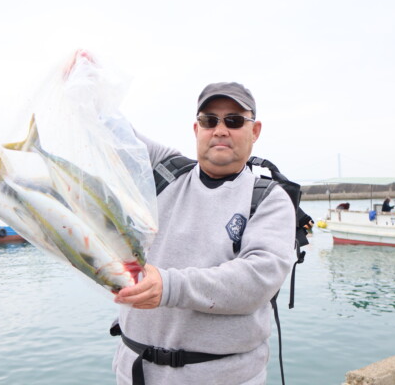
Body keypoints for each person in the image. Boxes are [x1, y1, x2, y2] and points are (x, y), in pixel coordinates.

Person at [112, 82, 296, 385]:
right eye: (209, 120)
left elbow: (258, 279)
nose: (220, 130)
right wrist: (86, 82)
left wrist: (169, 286)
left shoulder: (269, 198)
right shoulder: (164, 168)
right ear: (197, 129)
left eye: (234, 121)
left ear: (255, 130)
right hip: (135, 373)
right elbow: (110, 133)